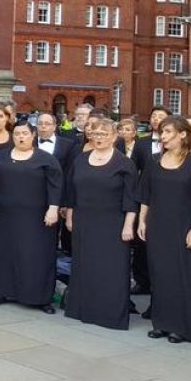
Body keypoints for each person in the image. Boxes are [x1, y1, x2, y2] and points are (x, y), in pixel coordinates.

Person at [138, 116, 191, 344]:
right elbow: (145, 195)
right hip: (157, 225)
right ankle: (162, 323)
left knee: (185, 276)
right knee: (160, 274)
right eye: (162, 132)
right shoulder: (154, 161)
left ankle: (184, 327)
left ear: (182, 134)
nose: (163, 136)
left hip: (185, 226)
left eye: (168, 131)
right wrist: (142, 221)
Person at [64, 117, 138, 330]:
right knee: (85, 265)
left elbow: (131, 198)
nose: (99, 137)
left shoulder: (124, 163)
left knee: (110, 268)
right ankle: (83, 309)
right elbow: (71, 191)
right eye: (96, 133)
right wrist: (70, 215)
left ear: (114, 137)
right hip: (84, 220)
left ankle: (109, 314)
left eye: (104, 134)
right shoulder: (80, 159)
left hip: (113, 223)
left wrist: (128, 225)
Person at [0, 120, 62, 313]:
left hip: (37, 219)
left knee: (35, 255)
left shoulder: (46, 159)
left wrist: (53, 208)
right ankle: (2, 291)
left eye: (25, 134)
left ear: (33, 135)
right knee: (3, 253)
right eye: (17, 134)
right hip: (5, 216)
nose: (21, 137)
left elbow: (55, 185)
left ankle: (40, 298)